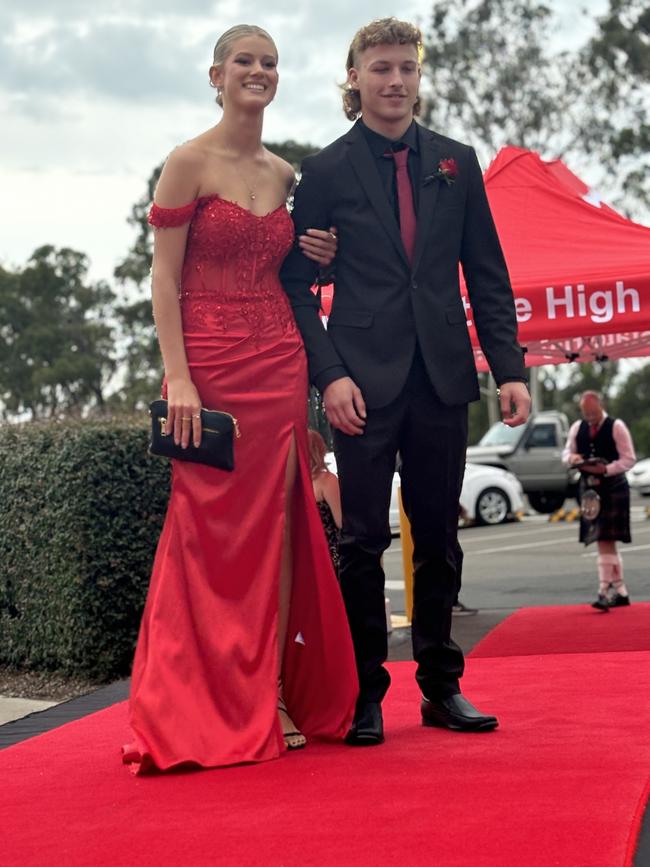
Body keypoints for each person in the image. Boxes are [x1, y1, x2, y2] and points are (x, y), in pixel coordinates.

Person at [280, 18, 530, 745]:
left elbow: (486, 272)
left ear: (419, 76)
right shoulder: (322, 171)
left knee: (440, 539)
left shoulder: (457, 161)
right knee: (360, 541)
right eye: (380, 68)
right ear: (354, 78)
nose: (394, 81)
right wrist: (328, 377)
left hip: (442, 379)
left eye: (406, 68)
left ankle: (441, 686)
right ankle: (364, 694)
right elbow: (299, 283)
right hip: (359, 384)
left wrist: (508, 369)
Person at [122, 24, 358, 773]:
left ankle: (271, 690)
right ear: (216, 75)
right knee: (205, 529)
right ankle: (198, 696)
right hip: (210, 368)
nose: (258, 72)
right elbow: (163, 279)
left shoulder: (287, 174)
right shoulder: (186, 162)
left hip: (279, 361)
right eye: (244, 62)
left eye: (270, 63)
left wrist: (318, 253)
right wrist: (179, 375)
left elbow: (295, 274)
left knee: (279, 526)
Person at [562, 390, 636, 611]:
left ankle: (603, 591)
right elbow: (566, 454)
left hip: (613, 487)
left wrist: (606, 468)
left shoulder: (617, 426)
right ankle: (621, 591)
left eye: (593, 413)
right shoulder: (577, 427)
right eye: (586, 414)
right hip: (589, 490)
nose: (590, 418)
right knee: (606, 541)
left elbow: (629, 459)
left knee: (605, 540)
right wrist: (573, 458)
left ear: (600, 406)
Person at [308, 428, 342, 575]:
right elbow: (341, 522)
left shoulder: (292, 484)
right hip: (329, 553)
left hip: (306, 554)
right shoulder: (327, 481)